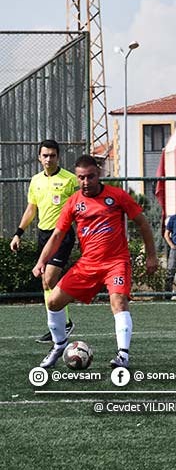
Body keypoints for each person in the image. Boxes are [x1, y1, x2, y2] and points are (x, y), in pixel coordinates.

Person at [32, 155, 158, 369]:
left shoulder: (117, 196)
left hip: (116, 262)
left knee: (119, 301)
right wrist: (41, 261)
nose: (85, 182)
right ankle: (59, 345)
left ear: (98, 174)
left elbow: (143, 224)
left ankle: (123, 356)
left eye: (90, 176)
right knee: (53, 301)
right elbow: (57, 235)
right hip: (87, 264)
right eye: (81, 177)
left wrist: (151, 255)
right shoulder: (73, 202)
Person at [10, 139, 78, 343]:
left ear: (58, 157)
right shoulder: (36, 181)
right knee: (46, 282)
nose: (49, 159)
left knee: (49, 278)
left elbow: (81, 208)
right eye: (45, 155)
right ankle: (60, 324)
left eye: (52, 155)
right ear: (39, 157)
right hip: (43, 235)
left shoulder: (70, 180)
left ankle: (63, 324)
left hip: (62, 235)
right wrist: (18, 233)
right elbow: (31, 209)